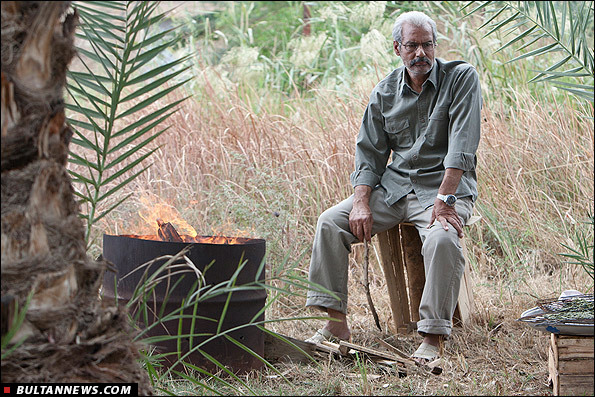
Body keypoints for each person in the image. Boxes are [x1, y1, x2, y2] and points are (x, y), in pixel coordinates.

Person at [305, 10, 482, 365]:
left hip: (442, 189)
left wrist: (446, 202)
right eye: (413, 46)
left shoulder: (461, 78)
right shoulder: (384, 92)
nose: (421, 54)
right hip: (396, 188)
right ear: (397, 47)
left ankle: (432, 336)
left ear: (436, 45)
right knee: (329, 222)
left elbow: (463, 145)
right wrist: (360, 202)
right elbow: (369, 154)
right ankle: (335, 325)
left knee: (443, 238)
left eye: (428, 45)